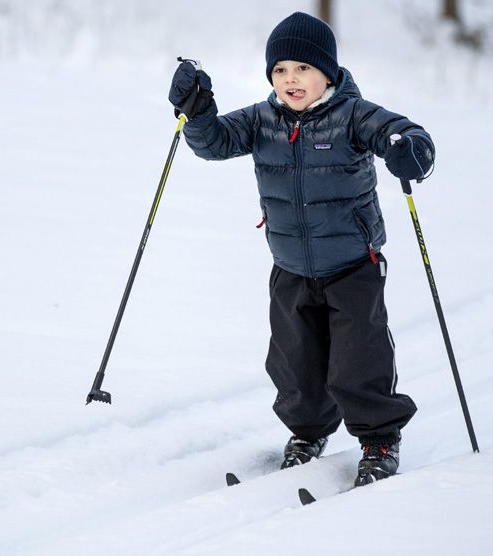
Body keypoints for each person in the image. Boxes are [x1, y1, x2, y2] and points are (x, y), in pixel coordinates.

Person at [168, 11, 434, 486]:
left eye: (303, 69)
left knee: (358, 360)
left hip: (354, 264)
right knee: (295, 365)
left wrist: (408, 148)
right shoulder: (261, 120)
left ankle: (379, 440)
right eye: (280, 70)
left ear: (327, 72)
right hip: (290, 266)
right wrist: (198, 111)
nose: (291, 80)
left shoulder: (354, 114)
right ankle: (309, 432)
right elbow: (212, 144)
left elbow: (406, 134)